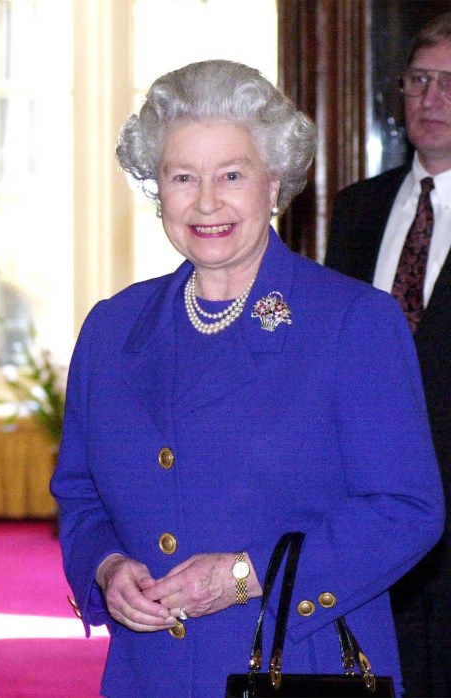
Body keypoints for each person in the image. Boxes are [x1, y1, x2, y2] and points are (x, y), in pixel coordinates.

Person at [50, 59, 445, 697]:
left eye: (231, 174)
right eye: (183, 177)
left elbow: (407, 510)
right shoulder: (112, 329)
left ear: (276, 182)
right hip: (149, 676)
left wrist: (245, 574)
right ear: (158, 188)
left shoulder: (352, 323)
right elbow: (81, 495)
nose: (206, 202)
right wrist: (107, 566)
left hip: (301, 666)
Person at [325, 12, 451, 697]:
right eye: (419, 81)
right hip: (365, 518)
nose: (431, 100)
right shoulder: (356, 209)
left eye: (450, 84)